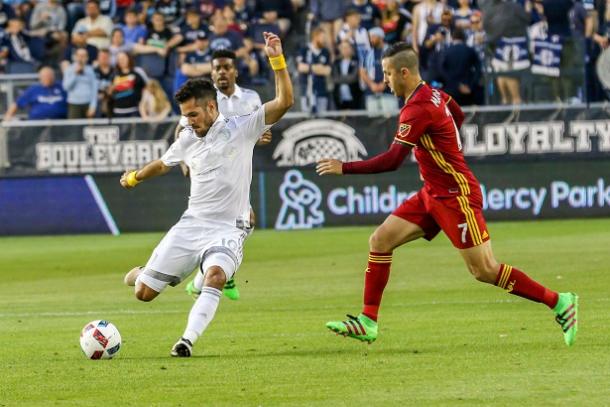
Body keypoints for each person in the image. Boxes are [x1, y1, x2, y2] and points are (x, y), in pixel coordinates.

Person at [316, 42, 578, 347]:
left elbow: (393, 160)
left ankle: (560, 302)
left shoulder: (417, 108)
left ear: (404, 72)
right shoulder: (435, 93)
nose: (384, 79)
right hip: (433, 193)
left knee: (484, 270)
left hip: (456, 196)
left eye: (387, 73)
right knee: (380, 240)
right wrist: (439, 149)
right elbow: (458, 115)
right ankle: (368, 321)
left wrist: (344, 168)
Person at [120, 32, 293, 357]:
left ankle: (186, 341)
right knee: (143, 293)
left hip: (230, 227)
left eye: (193, 114)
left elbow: (284, 102)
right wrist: (134, 177)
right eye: (185, 115)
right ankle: (146, 273)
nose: (188, 121)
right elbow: (164, 163)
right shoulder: (187, 134)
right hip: (192, 225)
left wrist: (277, 61)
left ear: (211, 107)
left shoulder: (242, 127)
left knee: (215, 275)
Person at [174, 49, 273, 301]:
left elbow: (258, 131)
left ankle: (206, 278)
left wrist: (261, 138)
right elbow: (181, 129)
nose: (221, 72)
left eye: (226, 67)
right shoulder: (203, 100)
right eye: (217, 68)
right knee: (240, 221)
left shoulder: (251, 98)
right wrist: (186, 162)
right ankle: (221, 275)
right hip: (209, 172)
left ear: (235, 71)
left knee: (245, 223)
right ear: (212, 72)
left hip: (236, 170)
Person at [62, 46, 98, 118]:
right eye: (79, 55)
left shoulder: (91, 70)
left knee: (89, 128)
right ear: (75, 57)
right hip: (74, 104)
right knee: (74, 128)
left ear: (87, 58)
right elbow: (66, 87)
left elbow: (94, 89)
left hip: (88, 103)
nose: (81, 58)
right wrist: (75, 74)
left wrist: (93, 106)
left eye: (83, 56)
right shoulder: (69, 70)